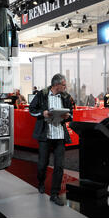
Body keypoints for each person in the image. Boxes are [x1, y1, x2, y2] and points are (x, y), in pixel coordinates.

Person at [29, 73, 74, 206]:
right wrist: (42, 113)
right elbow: (32, 110)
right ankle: (41, 183)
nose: (65, 87)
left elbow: (71, 113)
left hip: (60, 135)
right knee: (42, 163)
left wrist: (67, 116)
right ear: (56, 85)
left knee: (59, 166)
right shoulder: (42, 95)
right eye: (63, 85)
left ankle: (54, 194)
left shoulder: (66, 97)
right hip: (45, 135)